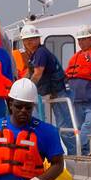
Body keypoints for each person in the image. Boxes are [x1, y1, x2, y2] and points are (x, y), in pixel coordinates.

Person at [20, 23, 74, 155]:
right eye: (26, 40)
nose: (29, 42)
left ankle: (76, 154)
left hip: (59, 92)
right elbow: (30, 72)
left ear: (38, 39)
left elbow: (37, 73)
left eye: (32, 39)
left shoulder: (41, 53)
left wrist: (27, 89)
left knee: (64, 125)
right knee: (50, 122)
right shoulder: (34, 55)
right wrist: (20, 85)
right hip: (50, 93)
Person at [65, 25, 91, 155]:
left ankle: (76, 148)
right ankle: (83, 155)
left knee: (88, 126)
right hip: (77, 100)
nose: (81, 42)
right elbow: (67, 76)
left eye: (84, 39)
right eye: (79, 40)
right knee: (79, 128)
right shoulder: (75, 57)